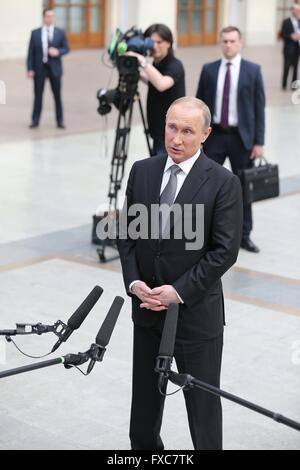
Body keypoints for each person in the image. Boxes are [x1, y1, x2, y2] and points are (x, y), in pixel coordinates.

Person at [117, 97, 243, 450]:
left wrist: (178, 291)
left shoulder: (223, 183)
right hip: (147, 312)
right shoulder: (142, 170)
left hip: (195, 316)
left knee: (202, 413)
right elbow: (127, 234)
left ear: (205, 134)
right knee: (142, 412)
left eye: (187, 131)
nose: (176, 138)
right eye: (172, 127)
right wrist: (134, 282)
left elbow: (224, 252)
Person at [196, 26, 265, 254]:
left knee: (244, 188)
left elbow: (259, 107)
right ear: (220, 42)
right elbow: (199, 106)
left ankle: (245, 235)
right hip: (214, 136)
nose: (228, 45)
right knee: (205, 186)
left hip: (241, 138)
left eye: (232, 41)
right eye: (224, 41)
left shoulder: (253, 71)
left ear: (240, 42)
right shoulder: (209, 70)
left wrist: (258, 142)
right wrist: (198, 136)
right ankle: (205, 234)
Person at [126, 23, 185, 156]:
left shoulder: (175, 64)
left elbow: (161, 84)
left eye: (160, 42)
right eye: (151, 42)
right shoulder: (156, 63)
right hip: (158, 131)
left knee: (162, 173)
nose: (155, 46)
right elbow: (153, 81)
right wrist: (135, 73)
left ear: (169, 43)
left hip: (171, 135)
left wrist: (142, 61)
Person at [27, 8, 70, 129]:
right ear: (43, 17)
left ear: (54, 17)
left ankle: (60, 120)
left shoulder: (60, 32)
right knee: (38, 95)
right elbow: (30, 52)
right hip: (39, 68)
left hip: (55, 68)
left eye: (52, 16)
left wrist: (58, 51)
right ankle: (35, 120)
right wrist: (30, 69)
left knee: (57, 95)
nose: (50, 18)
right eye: (47, 16)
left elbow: (66, 48)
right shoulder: (35, 33)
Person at [281, 3, 300, 91]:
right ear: (292, 10)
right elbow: (283, 34)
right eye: (295, 10)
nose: (296, 12)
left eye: (298, 10)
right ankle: (284, 84)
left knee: (296, 68)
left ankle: (294, 85)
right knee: (286, 68)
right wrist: (291, 36)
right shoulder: (286, 21)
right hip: (288, 49)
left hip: (297, 49)